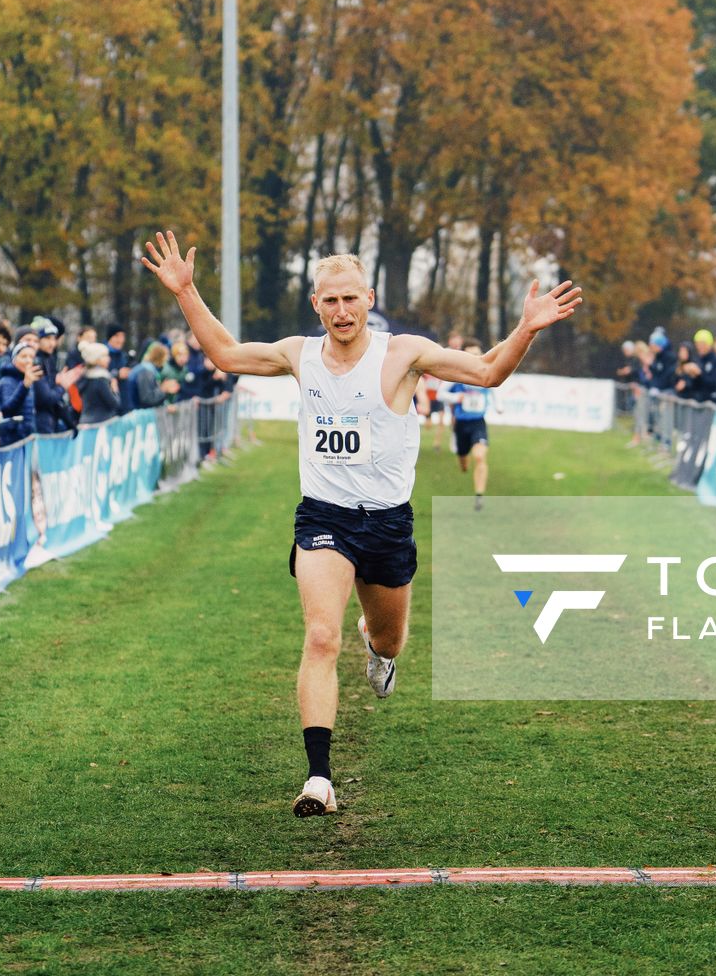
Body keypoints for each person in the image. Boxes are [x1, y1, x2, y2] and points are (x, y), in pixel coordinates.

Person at [142, 231, 580, 818]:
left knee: (387, 635)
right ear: (316, 305)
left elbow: (488, 371)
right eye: (329, 301)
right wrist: (187, 291)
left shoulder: (403, 354)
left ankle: (379, 653)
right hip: (323, 517)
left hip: (387, 524)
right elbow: (226, 354)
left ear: (369, 298)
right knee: (321, 636)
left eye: (350, 299)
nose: (341, 311)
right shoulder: (299, 354)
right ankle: (318, 777)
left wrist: (526, 326)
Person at [439, 340, 493, 511]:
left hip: (478, 422)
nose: (475, 357)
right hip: (461, 424)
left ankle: (479, 497)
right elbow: (441, 394)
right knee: (464, 460)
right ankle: (462, 458)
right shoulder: (456, 375)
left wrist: (499, 407)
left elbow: (493, 388)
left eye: (477, 353)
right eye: (471, 354)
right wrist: (457, 398)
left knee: (479, 456)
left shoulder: (485, 373)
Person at [76, 341, 121, 425]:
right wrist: (115, 390)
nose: (109, 359)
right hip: (101, 424)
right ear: (97, 359)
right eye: (105, 356)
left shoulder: (84, 376)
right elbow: (114, 404)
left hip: (85, 422)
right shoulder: (101, 379)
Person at [128, 341, 181, 410]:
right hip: (134, 412)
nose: (167, 361)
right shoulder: (146, 371)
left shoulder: (150, 370)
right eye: (166, 357)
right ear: (161, 357)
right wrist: (163, 389)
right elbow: (147, 398)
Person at [676, 330, 716, 401]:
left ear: (709, 344)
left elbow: (714, 384)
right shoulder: (697, 359)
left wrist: (699, 373)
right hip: (695, 400)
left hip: (710, 401)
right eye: (697, 344)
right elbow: (694, 384)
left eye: (702, 344)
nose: (699, 347)